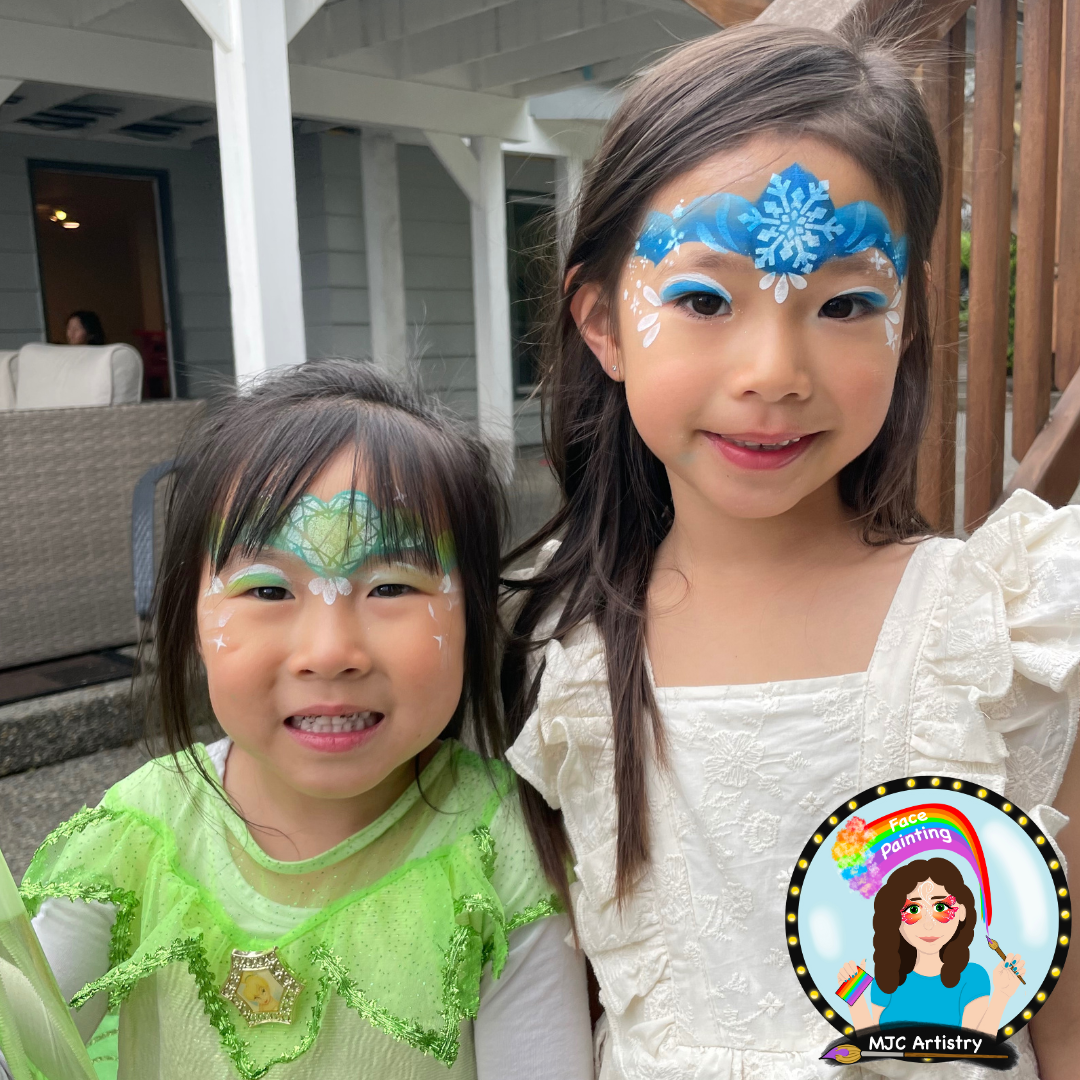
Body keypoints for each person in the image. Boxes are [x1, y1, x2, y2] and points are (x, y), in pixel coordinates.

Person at [500, 21, 1080, 1080]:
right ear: (602, 322)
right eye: (703, 298)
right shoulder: (562, 662)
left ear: (908, 322)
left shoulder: (1001, 631)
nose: (774, 370)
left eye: (848, 302)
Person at [15, 359, 593, 1079]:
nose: (329, 653)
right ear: (190, 618)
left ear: (474, 615)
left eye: (390, 585)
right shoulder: (137, 838)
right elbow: (24, 1043)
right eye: (265, 590)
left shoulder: (501, 852)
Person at [838, 858, 1025, 1034]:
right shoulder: (886, 978)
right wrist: (854, 995)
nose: (928, 924)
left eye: (941, 908)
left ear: (961, 912)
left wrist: (1002, 995)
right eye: (913, 910)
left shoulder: (974, 978)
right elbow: (873, 1046)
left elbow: (975, 1048)